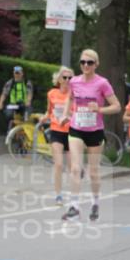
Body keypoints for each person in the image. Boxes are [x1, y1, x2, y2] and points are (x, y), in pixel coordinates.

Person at [61, 49, 121, 222]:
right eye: (83, 62)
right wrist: (66, 114)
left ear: (96, 64)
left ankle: (95, 202)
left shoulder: (102, 83)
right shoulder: (74, 81)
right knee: (75, 168)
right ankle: (74, 206)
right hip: (76, 128)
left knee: (93, 172)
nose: (86, 65)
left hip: (95, 131)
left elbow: (116, 106)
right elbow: (70, 99)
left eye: (90, 62)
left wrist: (100, 109)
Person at [39, 66, 73, 206]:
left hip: (72, 133)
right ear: (58, 79)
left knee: (72, 167)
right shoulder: (51, 93)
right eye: (64, 77)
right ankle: (58, 195)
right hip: (56, 131)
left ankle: (73, 194)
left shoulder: (75, 94)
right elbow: (49, 111)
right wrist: (44, 117)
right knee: (58, 164)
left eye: (70, 78)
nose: (67, 80)